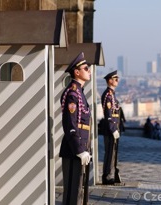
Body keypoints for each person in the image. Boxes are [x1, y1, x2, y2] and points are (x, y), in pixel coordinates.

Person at [59, 52, 92, 205]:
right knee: (72, 190)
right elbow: (70, 125)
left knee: (78, 189)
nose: (89, 70)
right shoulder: (73, 93)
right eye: (86, 68)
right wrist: (79, 149)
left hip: (80, 147)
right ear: (77, 72)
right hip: (74, 149)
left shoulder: (79, 92)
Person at [101, 70, 121, 185]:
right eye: (115, 79)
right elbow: (108, 114)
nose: (117, 80)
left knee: (113, 153)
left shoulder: (112, 94)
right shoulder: (108, 95)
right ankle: (107, 176)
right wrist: (113, 129)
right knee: (110, 153)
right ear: (110, 80)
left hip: (114, 128)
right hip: (110, 129)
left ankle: (111, 174)